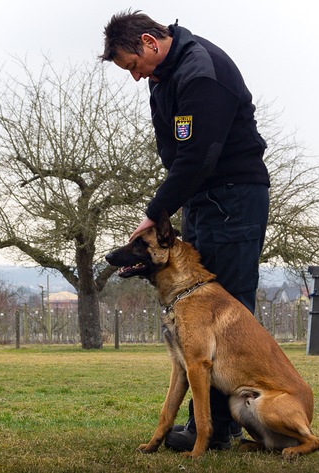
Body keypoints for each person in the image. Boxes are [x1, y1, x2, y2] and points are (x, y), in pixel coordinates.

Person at [100, 10, 270, 452]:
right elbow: (173, 152)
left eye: (132, 66)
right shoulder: (164, 78)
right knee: (198, 318)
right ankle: (213, 426)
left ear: (149, 43)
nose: (135, 77)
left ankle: (214, 431)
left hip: (233, 197)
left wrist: (155, 212)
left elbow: (198, 156)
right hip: (201, 199)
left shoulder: (202, 72)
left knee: (225, 308)